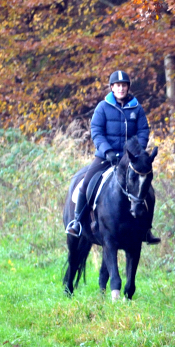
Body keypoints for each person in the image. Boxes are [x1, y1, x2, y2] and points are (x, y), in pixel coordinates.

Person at [65, 70, 160, 244]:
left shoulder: (136, 109)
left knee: (149, 192)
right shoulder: (102, 107)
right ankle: (77, 221)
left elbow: (143, 131)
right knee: (85, 184)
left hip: (130, 159)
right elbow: (96, 131)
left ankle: (147, 230)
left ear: (128, 87)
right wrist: (107, 151)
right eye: (117, 85)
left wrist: (137, 151)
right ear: (112, 88)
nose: (121, 88)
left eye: (124, 85)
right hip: (105, 157)